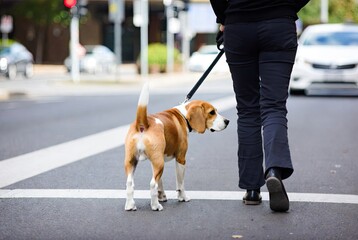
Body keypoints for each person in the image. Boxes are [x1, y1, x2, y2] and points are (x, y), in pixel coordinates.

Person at [209, 0, 310, 212]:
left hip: (239, 25)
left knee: (247, 110)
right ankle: (274, 170)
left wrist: (224, 17)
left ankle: (252, 188)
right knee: (274, 106)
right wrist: (287, 8)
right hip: (279, 26)